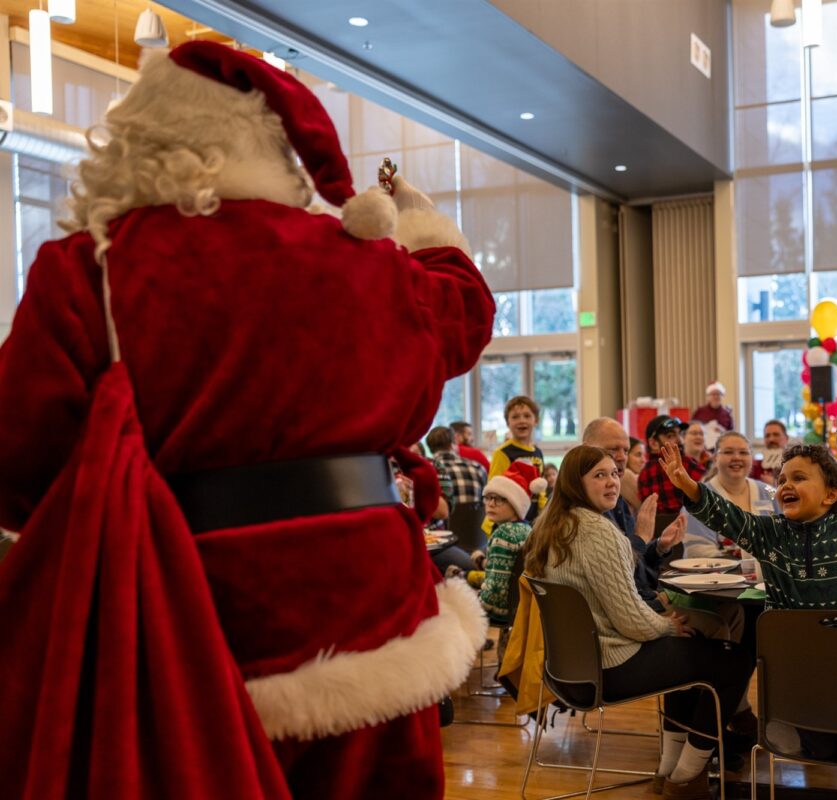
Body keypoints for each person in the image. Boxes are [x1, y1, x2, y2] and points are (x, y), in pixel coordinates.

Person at [0, 42, 492, 798]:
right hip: (367, 609)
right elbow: (462, 314)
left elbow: (19, 461)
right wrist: (423, 229)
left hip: (173, 614)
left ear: (137, 140)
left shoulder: (87, 270)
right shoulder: (363, 263)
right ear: (276, 152)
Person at [524, 446, 755, 800]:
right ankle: (686, 777)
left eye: (614, 474)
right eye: (599, 475)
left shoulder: (550, 526)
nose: (612, 482)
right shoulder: (598, 532)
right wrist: (667, 625)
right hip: (609, 667)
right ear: (574, 482)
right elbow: (631, 620)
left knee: (694, 656)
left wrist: (663, 619)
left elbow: (613, 606)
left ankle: (671, 771)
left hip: (568, 669)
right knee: (733, 660)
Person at [660, 440, 837, 761]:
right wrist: (690, 486)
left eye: (799, 478)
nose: (786, 485)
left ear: (830, 494)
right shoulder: (769, 532)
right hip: (793, 662)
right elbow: (726, 516)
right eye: (783, 480)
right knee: (818, 750)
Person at [581, 418, 686, 616]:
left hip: (642, 602)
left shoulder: (616, 499)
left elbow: (638, 568)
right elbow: (617, 579)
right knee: (722, 622)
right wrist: (640, 538)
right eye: (613, 450)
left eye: (626, 450)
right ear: (586, 450)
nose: (622, 457)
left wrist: (659, 547)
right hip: (625, 616)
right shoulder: (585, 510)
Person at [683, 432, 777, 559]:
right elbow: (697, 552)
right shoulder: (699, 496)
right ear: (715, 458)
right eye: (728, 452)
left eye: (743, 452)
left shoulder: (770, 491)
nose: (737, 457)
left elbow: (788, 537)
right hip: (717, 577)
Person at [478, 464, 543, 625]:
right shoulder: (527, 529)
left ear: (516, 505)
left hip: (502, 610)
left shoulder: (503, 535)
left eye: (499, 499)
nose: (491, 504)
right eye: (488, 497)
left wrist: (476, 602)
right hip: (522, 605)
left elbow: (495, 591)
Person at [489, 396, 546, 518]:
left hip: (533, 519)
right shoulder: (502, 453)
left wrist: (543, 514)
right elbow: (494, 490)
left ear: (536, 420)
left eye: (527, 416)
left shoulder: (538, 452)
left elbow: (540, 490)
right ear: (507, 423)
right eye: (515, 417)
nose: (521, 420)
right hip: (508, 521)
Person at [639, 415, 706, 516]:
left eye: (680, 434)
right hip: (690, 528)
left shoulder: (643, 474)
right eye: (670, 436)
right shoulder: (686, 464)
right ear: (653, 443)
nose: (679, 440)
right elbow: (712, 494)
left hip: (657, 531)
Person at [427, 425, 486, 510]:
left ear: (430, 449)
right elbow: (486, 502)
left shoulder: (427, 471)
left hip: (443, 522)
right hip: (475, 522)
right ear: (453, 444)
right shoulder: (478, 468)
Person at [750, 419, 788, 486]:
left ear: (786, 438)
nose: (771, 439)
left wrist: (775, 484)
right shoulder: (754, 466)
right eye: (767, 436)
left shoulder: (793, 464)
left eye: (776, 434)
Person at [621, 436, 646, 510]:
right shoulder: (625, 474)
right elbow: (647, 506)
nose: (643, 460)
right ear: (625, 456)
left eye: (644, 455)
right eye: (638, 455)